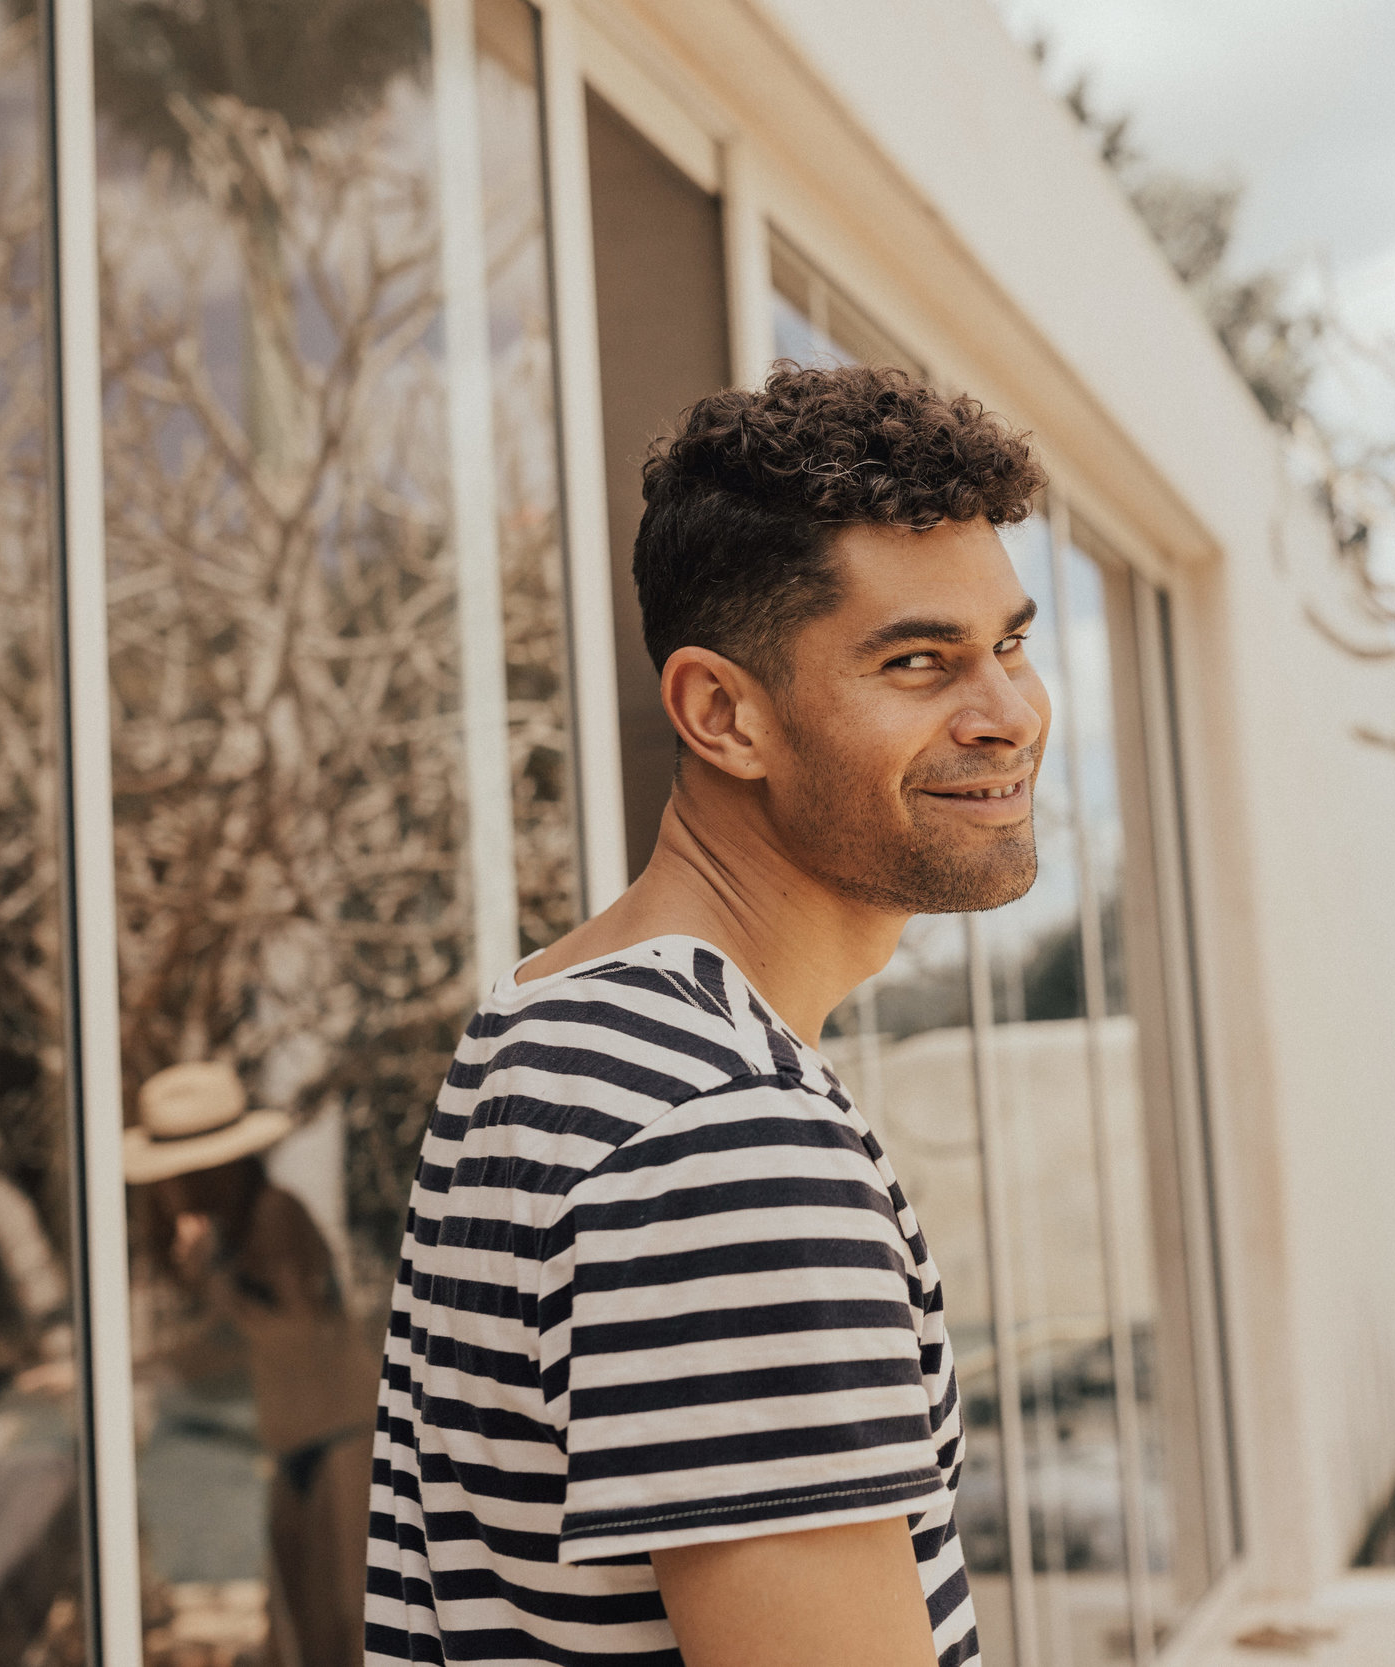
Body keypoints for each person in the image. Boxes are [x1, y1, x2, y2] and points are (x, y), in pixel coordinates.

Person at [366, 363, 1047, 1667]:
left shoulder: (546, 1021)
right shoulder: (725, 1140)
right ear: (723, 712)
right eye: (921, 661)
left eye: (1009, 642)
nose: (1009, 714)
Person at [126, 1060, 379, 1667]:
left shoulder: (275, 1214)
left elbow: (292, 1333)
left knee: (347, 1629)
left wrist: (212, 1284)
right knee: (302, 1632)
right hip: (295, 1449)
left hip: (342, 1446)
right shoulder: (233, 1234)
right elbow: (225, 1349)